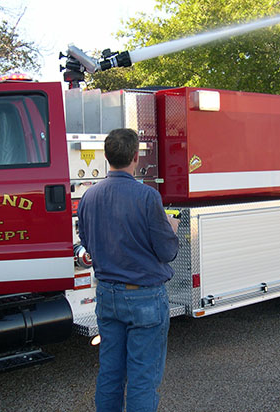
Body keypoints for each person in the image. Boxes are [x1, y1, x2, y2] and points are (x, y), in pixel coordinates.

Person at [77, 128, 179, 412]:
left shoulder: (89, 197)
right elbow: (167, 252)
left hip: (108, 297)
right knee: (142, 378)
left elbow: (87, 242)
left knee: (110, 373)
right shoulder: (147, 197)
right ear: (136, 157)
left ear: (107, 157)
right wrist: (171, 229)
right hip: (145, 298)